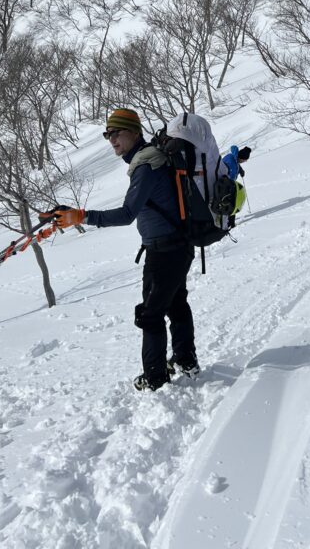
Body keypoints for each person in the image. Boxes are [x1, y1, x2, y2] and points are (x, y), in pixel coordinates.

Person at [45, 108, 200, 392]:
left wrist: (81, 216)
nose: (112, 139)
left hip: (164, 252)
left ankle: (155, 378)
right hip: (179, 245)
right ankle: (186, 361)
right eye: (108, 135)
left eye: (117, 133)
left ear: (134, 132)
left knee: (150, 314)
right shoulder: (154, 157)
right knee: (176, 304)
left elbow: (127, 213)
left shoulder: (146, 165)